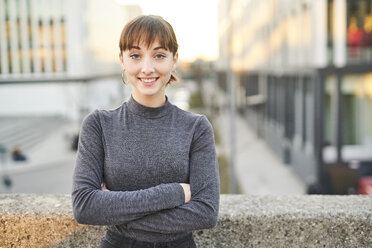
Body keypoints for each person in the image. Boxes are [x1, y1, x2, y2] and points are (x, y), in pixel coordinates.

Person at [72, 15, 220, 248]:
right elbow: (85, 206)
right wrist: (173, 194)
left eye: (159, 55)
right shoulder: (98, 125)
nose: (147, 68)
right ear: (122, 60)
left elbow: (205, 212)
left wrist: (115, 211)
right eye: (135, 55)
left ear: (174, 60)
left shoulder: (196, 128)